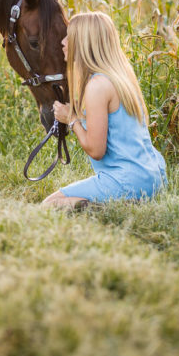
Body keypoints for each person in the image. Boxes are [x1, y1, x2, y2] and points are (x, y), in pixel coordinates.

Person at [42, 11, 167, 208]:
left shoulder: (97, 85)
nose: (63, 42)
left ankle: (109, 207)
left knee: (50, 204)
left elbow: (96, 150)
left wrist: (72, 120)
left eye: (69, 36)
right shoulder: (120, 77)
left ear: (84, 42)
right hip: (152, 176)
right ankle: (121, 202)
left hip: (129, 179)